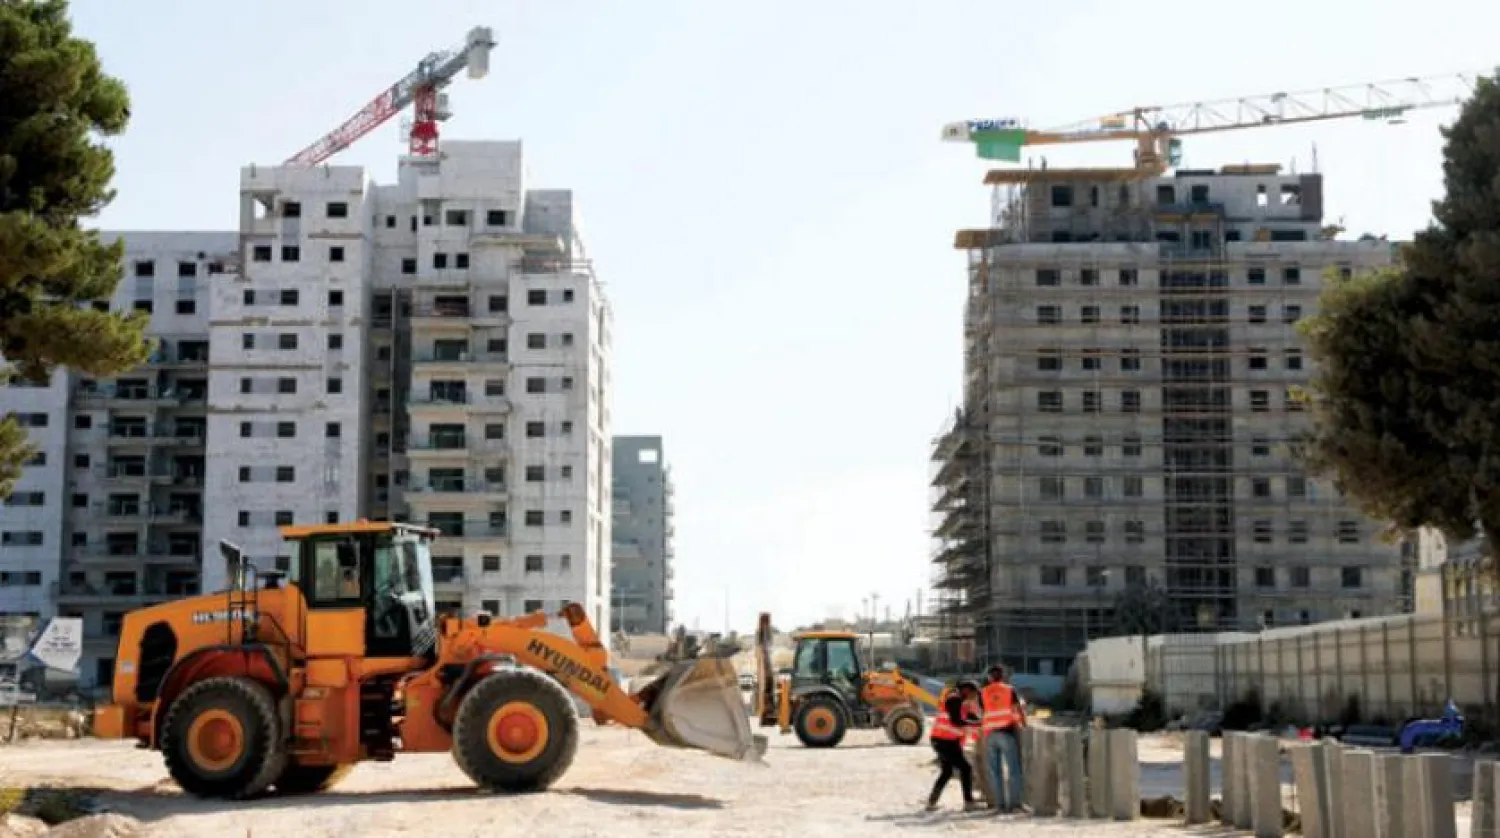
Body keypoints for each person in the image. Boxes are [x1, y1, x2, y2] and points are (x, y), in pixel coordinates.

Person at [925, 681, 983, 812]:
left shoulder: (960, 703)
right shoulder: (954, 699)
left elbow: (969, 717)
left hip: (944, 740)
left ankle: (931, 802)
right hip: (944, 741)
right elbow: (956, 720)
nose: (974, 697)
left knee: (947, 772)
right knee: (966, 768)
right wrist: (978, 723)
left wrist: (980, 721)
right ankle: (968, 802)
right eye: (973, 693)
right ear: (967, 690)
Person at [980, 663, 1026, 813]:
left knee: (995, 772)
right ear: (1003, 676)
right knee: (1013, 770)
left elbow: (982, 712)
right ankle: (1015, 804)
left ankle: (1000, 805)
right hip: (1006, 733)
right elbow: (1018, 708)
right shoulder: (1008, 689)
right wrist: (1024, 723)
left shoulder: (983, 692)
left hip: (990, 735)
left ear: (989, 677)